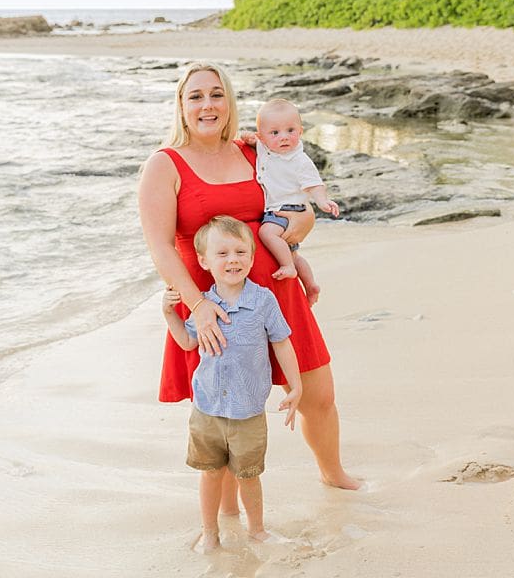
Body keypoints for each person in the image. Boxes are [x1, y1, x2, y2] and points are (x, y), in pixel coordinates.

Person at [138, 62, 360, 512]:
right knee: (225, 410)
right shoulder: (164, 164)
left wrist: (300, 231)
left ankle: (334, 475)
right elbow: (160, 247)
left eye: (216, 94)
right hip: (212, 302)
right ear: (181, 105)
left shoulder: (253, 151)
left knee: (319, 392)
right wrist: (198, 306)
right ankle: (227, 516)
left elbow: (293, 208)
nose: (207, 105)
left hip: (275, 291)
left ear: (230, 101)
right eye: (196, 96)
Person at [160, 215, 302, 551]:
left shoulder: (263, 300)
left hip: (248, 410)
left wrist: (295, 386)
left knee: (249, 475)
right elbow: (188, 344)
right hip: (207, 408)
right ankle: (210, 533)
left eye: (241, 252)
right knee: (210, 473)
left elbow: (282, 341)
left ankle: (257, 530)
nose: (233, 260)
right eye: (222, 254)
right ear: (204, 261)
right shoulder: (202, 306)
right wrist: (169, 315)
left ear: (252, 258)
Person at [254, 98, 340, 300]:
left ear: (300, 132)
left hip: (288, 209)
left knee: (267, 233)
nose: (283, 137)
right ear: (262, 137)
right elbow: (251, 140)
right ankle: (310, 285)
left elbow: (314, 184)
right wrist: (250, 139)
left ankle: (287, 267)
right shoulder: (264, 148)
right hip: (279, 210)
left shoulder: (299, 160)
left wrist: (322, 202)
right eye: (275, 133)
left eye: (290, 130)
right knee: (294, 254)